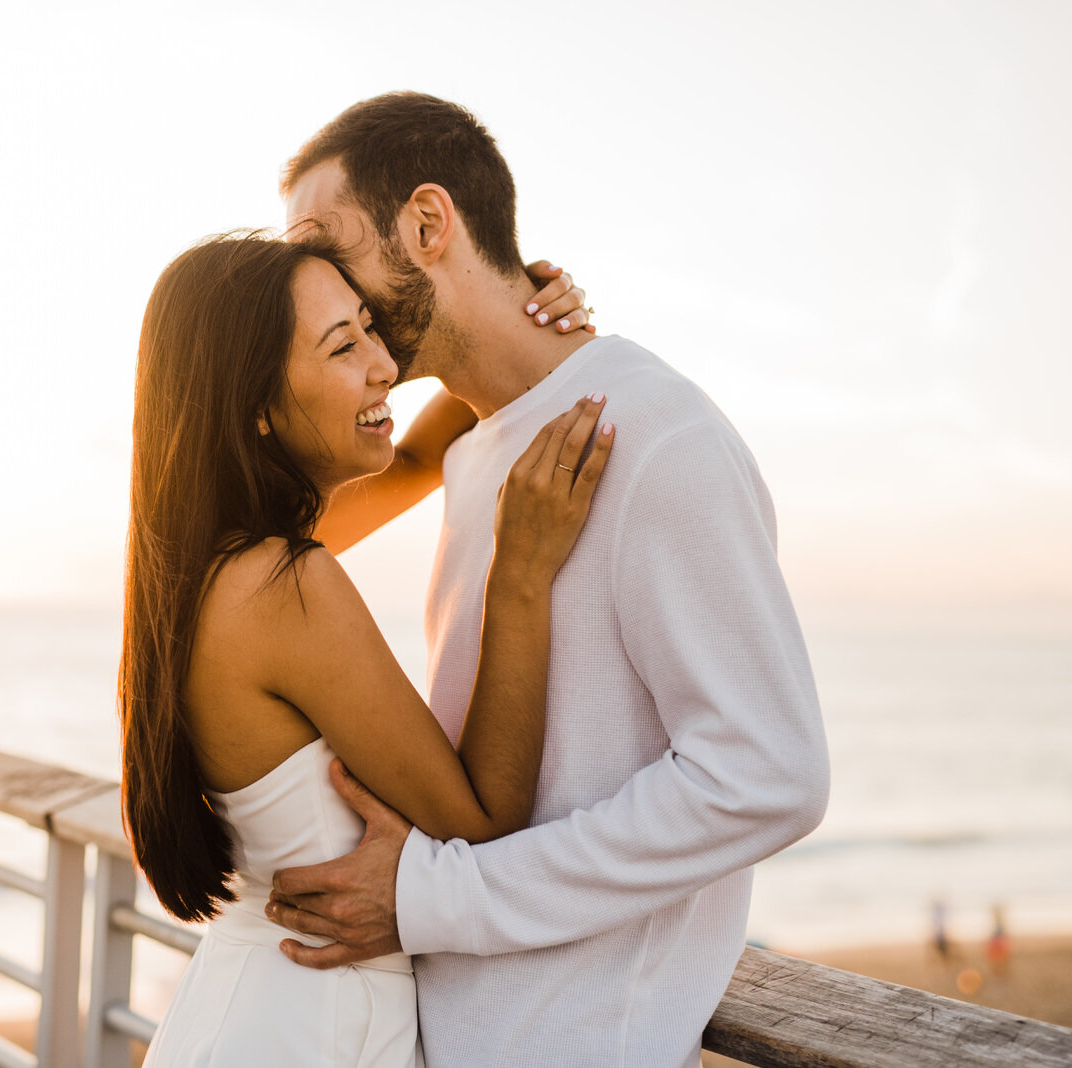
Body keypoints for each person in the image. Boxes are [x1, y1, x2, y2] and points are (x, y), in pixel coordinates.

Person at [264, 92, 832, 1067]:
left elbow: (767, 777)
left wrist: (433, 898)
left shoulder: (655, 436)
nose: (309, 285)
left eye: (323, 244)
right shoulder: (479, 447)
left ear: (428, 223)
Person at [121, 231, 613, 1065]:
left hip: (249, 1009)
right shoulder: (285, 582)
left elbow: (417, 455)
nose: (385, 365)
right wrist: (519, 573)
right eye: (343, 345)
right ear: (257, 406)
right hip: (313, 1030)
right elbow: (484, 820)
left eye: (370, 329)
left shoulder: (208, 564)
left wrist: (510, 314)